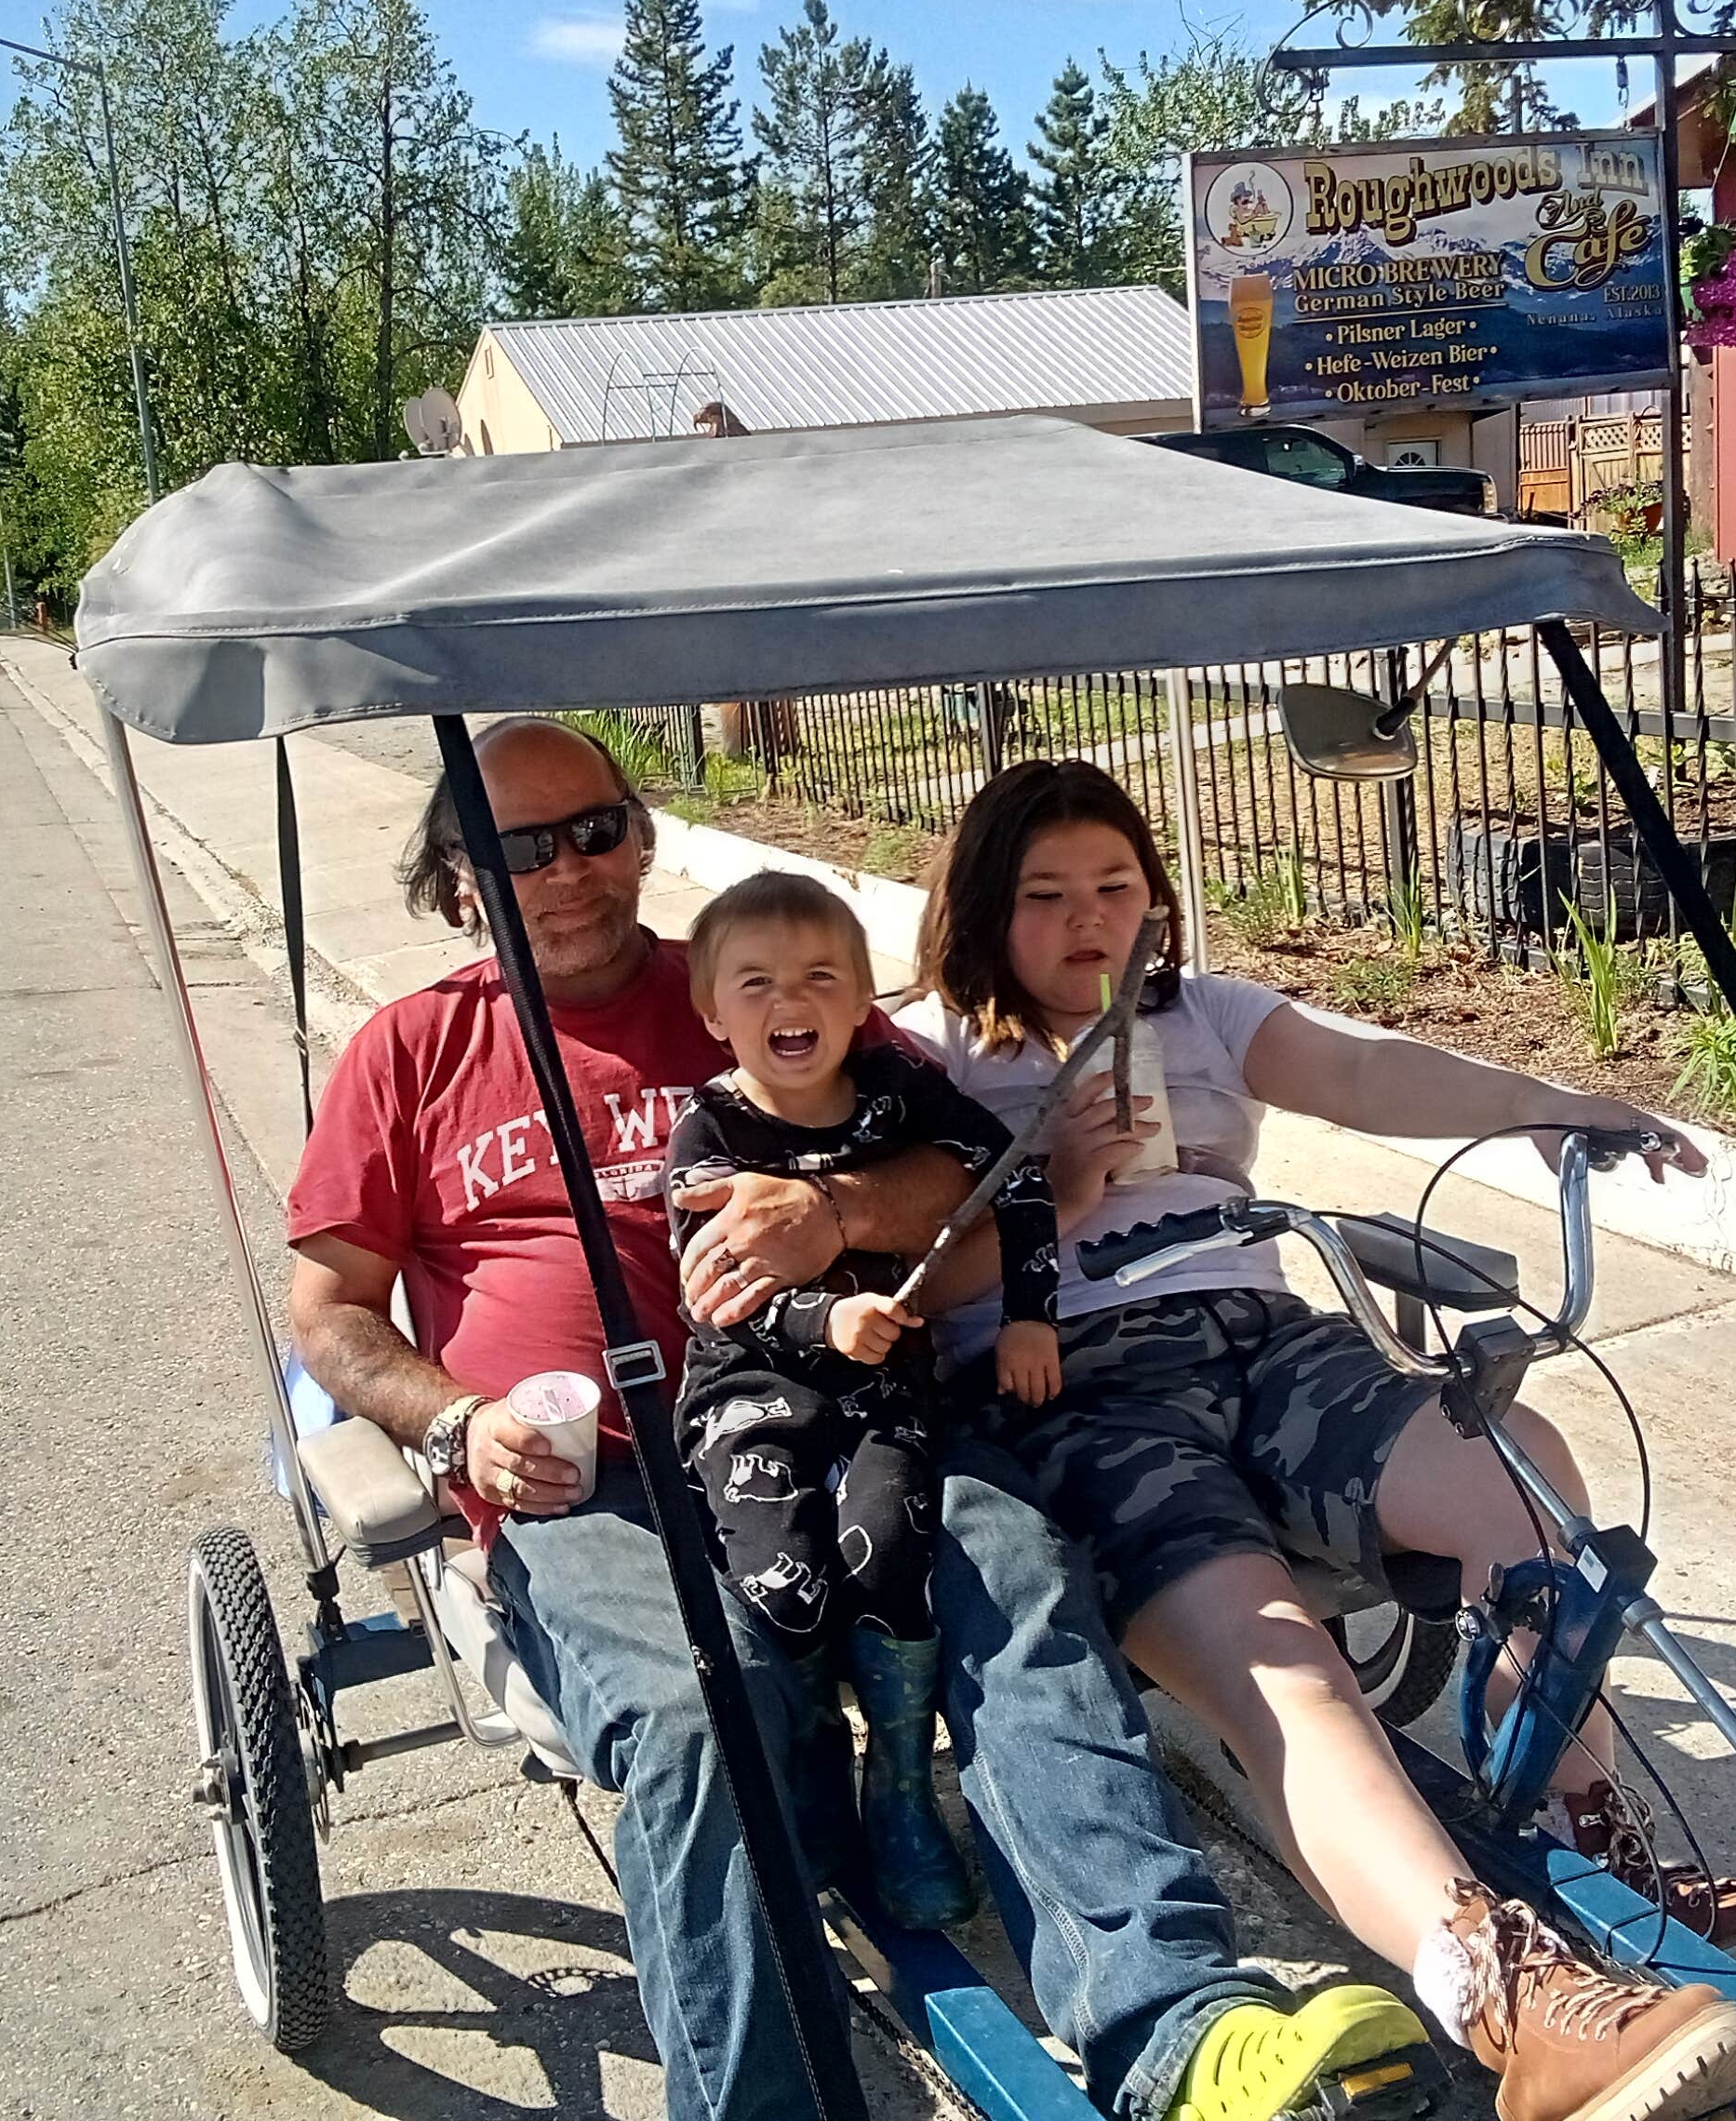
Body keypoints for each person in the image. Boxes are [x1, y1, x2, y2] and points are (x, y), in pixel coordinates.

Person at [285, 719, 1429, 2121]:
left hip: (864, 1415)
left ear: (639, 837)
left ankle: (1176, 2023)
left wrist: (831, 1212)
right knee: (704, 1713)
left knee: (1026, 1594)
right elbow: (330, 1313)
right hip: (598, 1477)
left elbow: (962, 1165)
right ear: (458, 875)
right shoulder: (411, 1053)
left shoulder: (753, 977)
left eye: (592, 830)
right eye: (518, 848)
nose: (566, 870)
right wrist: (458, 1423)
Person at [901, 759, 1736, 2121]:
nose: (1089, 920)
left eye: (1116, 887)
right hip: (1074, 1386)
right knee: (1289, 1670)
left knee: (1526, 1483)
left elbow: (1366, 1070)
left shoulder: (1201, 1014)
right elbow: (898, 1282)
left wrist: (1555, 1104)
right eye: (1044, 896)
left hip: (1266, 1341)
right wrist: (1062, 1184)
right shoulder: (926, 1056)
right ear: (982, 911)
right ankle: (1506, 1995)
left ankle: (1590, 1841)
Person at [665, 870, 1062, 1930]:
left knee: (890, 1551)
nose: (789, 1001)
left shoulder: (899, 1092)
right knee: (781, 1578)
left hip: (884, 1386)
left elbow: (1016, 1176)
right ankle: (814, 1787)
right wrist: (821, 1318)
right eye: (755, 983)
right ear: (714, 1015)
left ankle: (900, 1788)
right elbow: (712, 1301)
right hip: (750, 1389)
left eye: (819, 978)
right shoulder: (706, 1136)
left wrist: (1031, 1315)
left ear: (858, 1004)